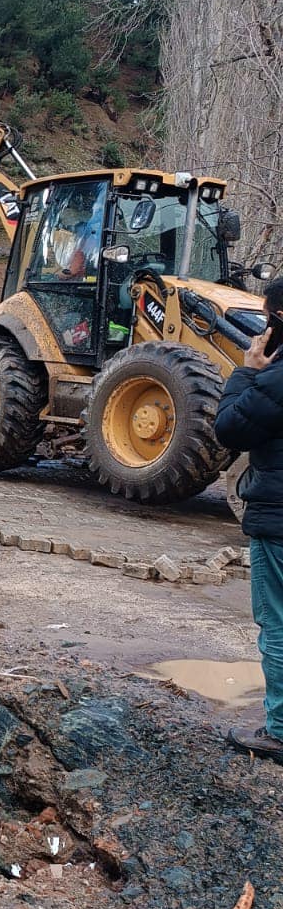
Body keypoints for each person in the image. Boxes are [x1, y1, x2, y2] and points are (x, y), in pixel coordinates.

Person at [215, 280, 283, 761]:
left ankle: (279, 730)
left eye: (268, 317)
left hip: (279, 519)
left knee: (278, 624)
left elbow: (230, 428)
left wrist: (246, 374)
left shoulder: (274, 380)